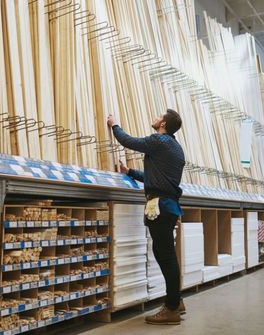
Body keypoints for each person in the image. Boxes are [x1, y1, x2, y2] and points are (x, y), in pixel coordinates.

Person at [107, 109, 186, 325]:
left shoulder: (158, 140)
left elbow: (128, 141)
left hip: (160, 206)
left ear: (163, 124)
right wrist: (130, 172)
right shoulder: (175, 147)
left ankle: (171, 309)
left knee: (166, 255)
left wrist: (114, 125)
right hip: (168, 205)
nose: (155, 117)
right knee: (164, 253)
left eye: (159, 116)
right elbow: (156, 179)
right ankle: (176, 301)